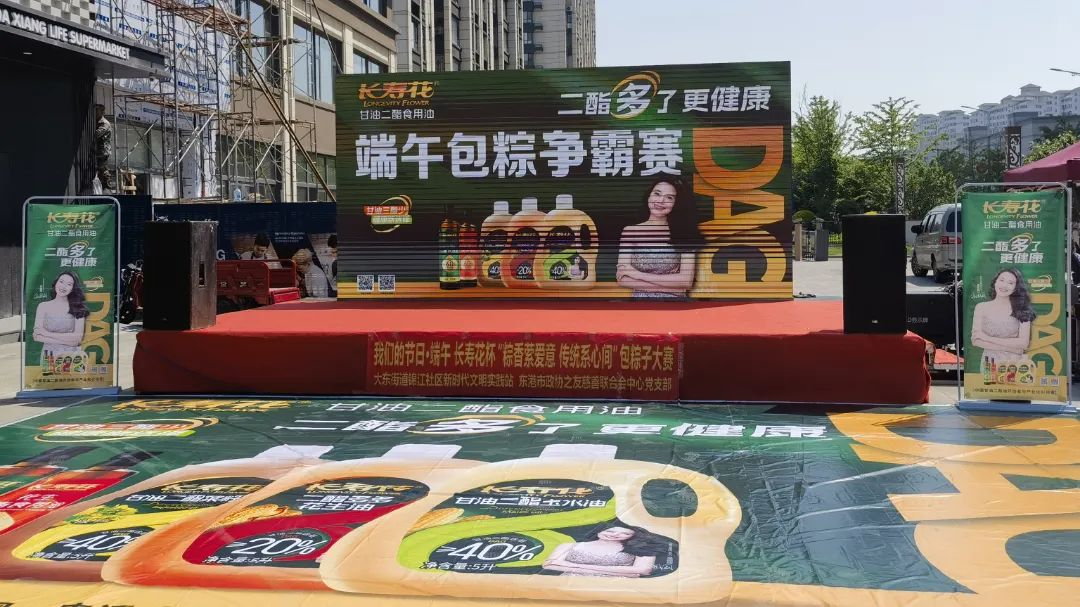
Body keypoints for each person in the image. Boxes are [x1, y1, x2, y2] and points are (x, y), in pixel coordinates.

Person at [616, 177, 703, 298]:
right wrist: (672, 288)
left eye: (669, 197)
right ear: (649, 196)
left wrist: (637, 274)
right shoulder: (630, 231)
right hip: (641, 303)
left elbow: (686, 281)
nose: (661, 200)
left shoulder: (685, 232)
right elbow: (623, 278)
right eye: (657, 194)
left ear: (676, 204)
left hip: (673, 304)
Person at [971, 267, 1036, 369]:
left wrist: (987, 338)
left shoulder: (1022, 309)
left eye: (1010, 283)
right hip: (989, 364)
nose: (1004, 285)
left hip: (1014, 366)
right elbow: (976, 340)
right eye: (1001, 280)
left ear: (1016, 287)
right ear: (995, 282)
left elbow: (1024, 343)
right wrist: (1013, 348)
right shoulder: (981, 307)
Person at [541, 525, 663, 578]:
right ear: (599, 531)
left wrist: (572, 565)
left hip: (618, 588)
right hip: (568, 585)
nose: (615, 535)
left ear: (633, 536)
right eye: (610, 531)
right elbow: (548, 565)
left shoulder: (643, 548)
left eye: (625, 533)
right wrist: (627, 573)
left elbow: (644, 570)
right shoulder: (568, 545)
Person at [33, 272, 89, 366]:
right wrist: (70, 342)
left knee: (72, 375)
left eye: (69, 284)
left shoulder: (78, 307)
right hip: (48, 356)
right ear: (56, 283)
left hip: (72, 357)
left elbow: (78, 338)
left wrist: (47, 334)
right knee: (48, 375)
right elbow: (37, 336)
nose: (63, 286)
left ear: (73, 288)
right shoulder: (43, 306)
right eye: (61, 282)